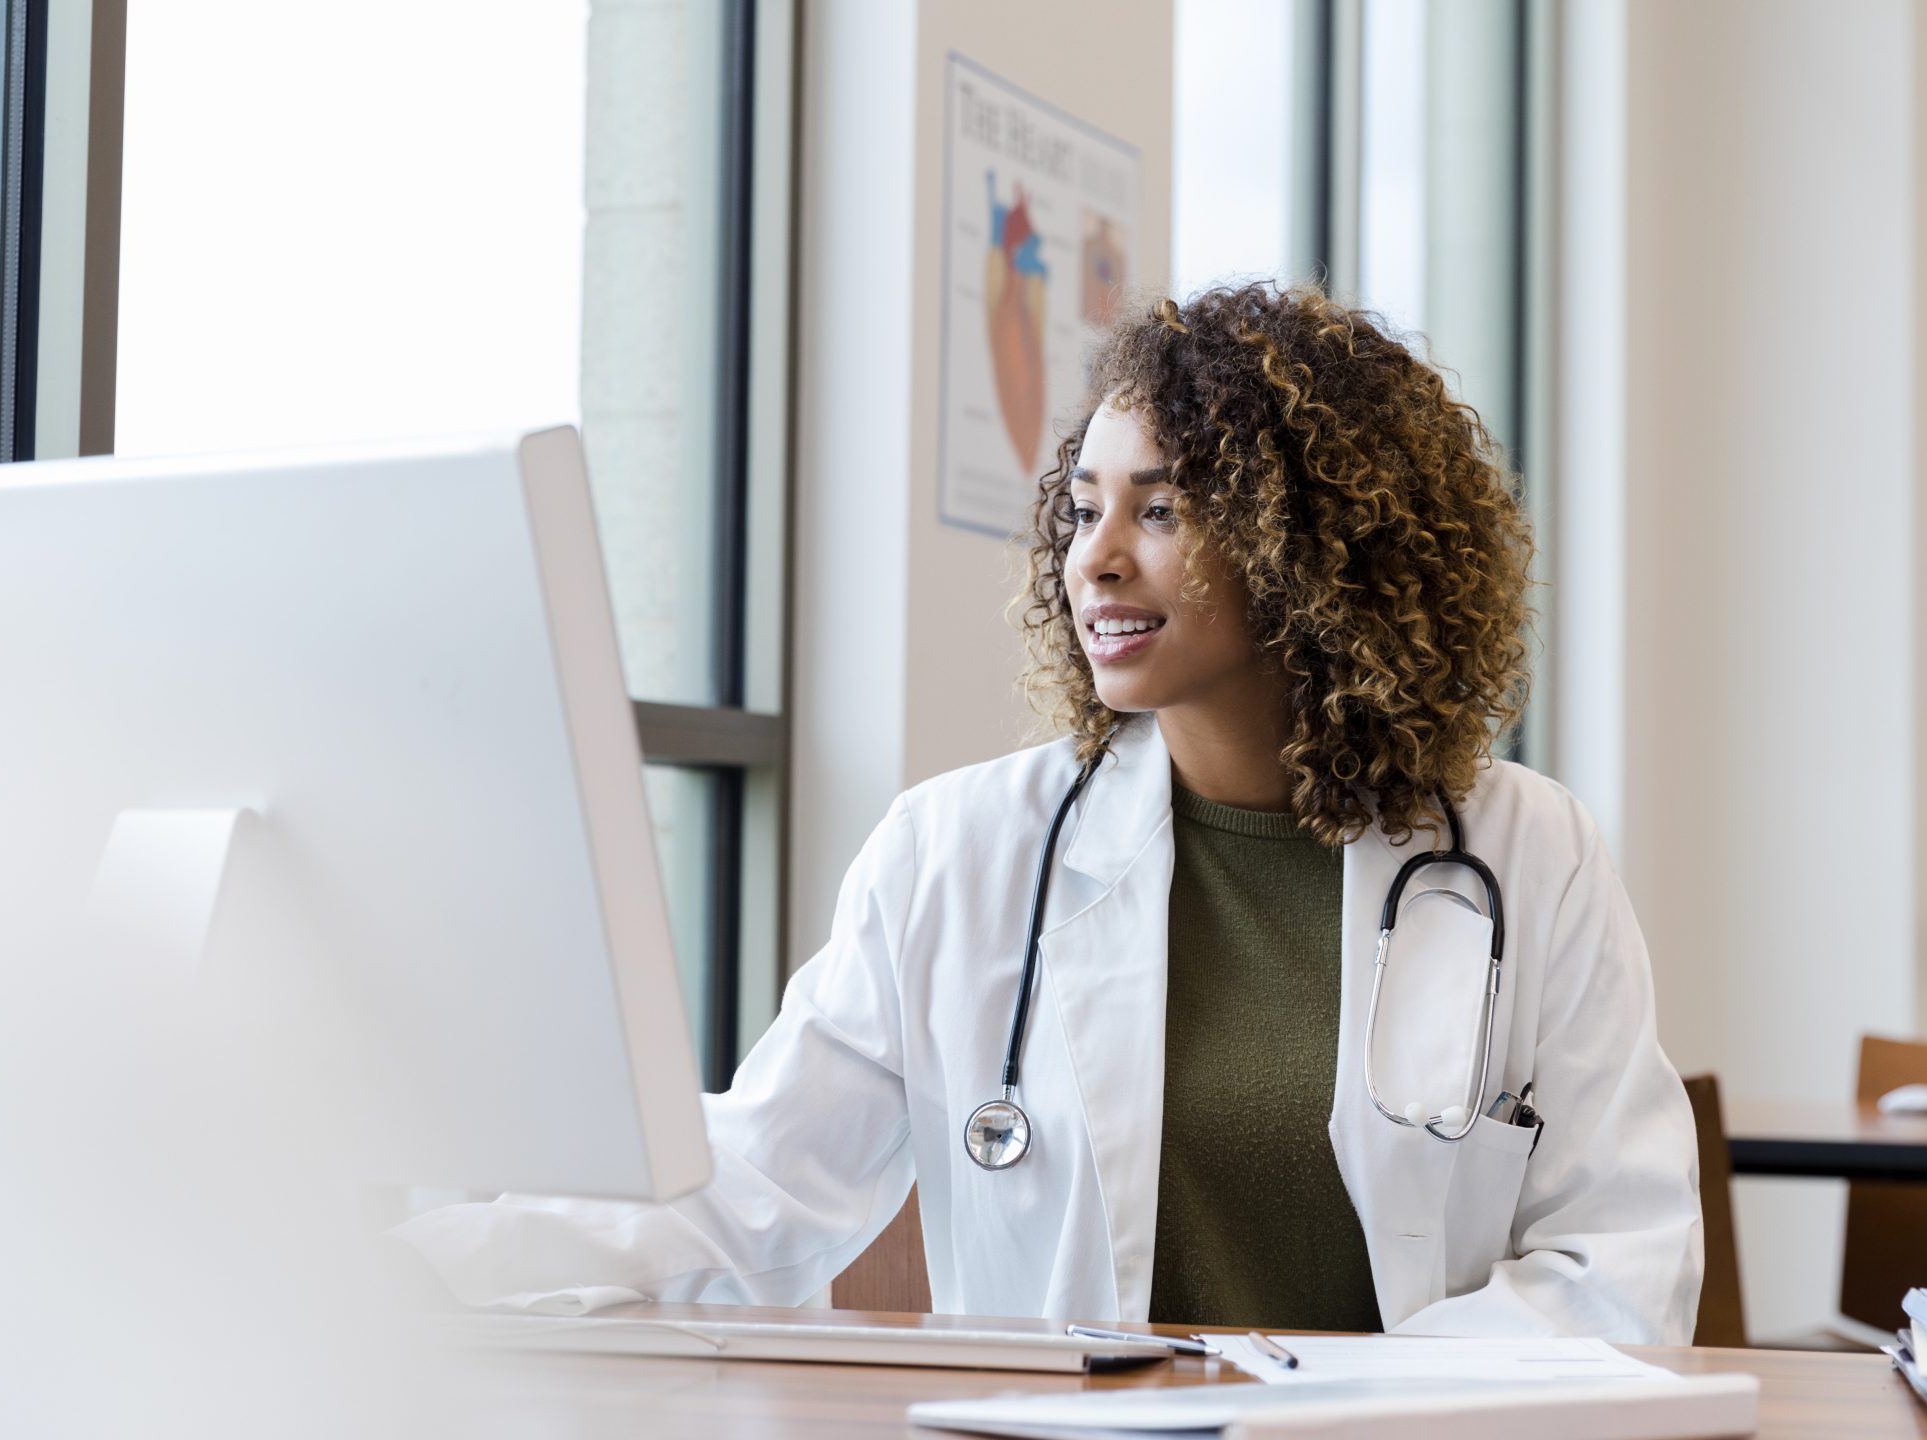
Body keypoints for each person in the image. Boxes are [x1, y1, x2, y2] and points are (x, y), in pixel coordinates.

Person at [399, 283, 1702, 1340]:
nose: (1096, 558)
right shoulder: (956, 853)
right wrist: (422, 1262)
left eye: (1162, 509)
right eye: (1083, 510)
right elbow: (752, 1186)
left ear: (1311, 550)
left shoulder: (1528, 855)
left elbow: (1620, 1261)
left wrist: (1339, 1408)